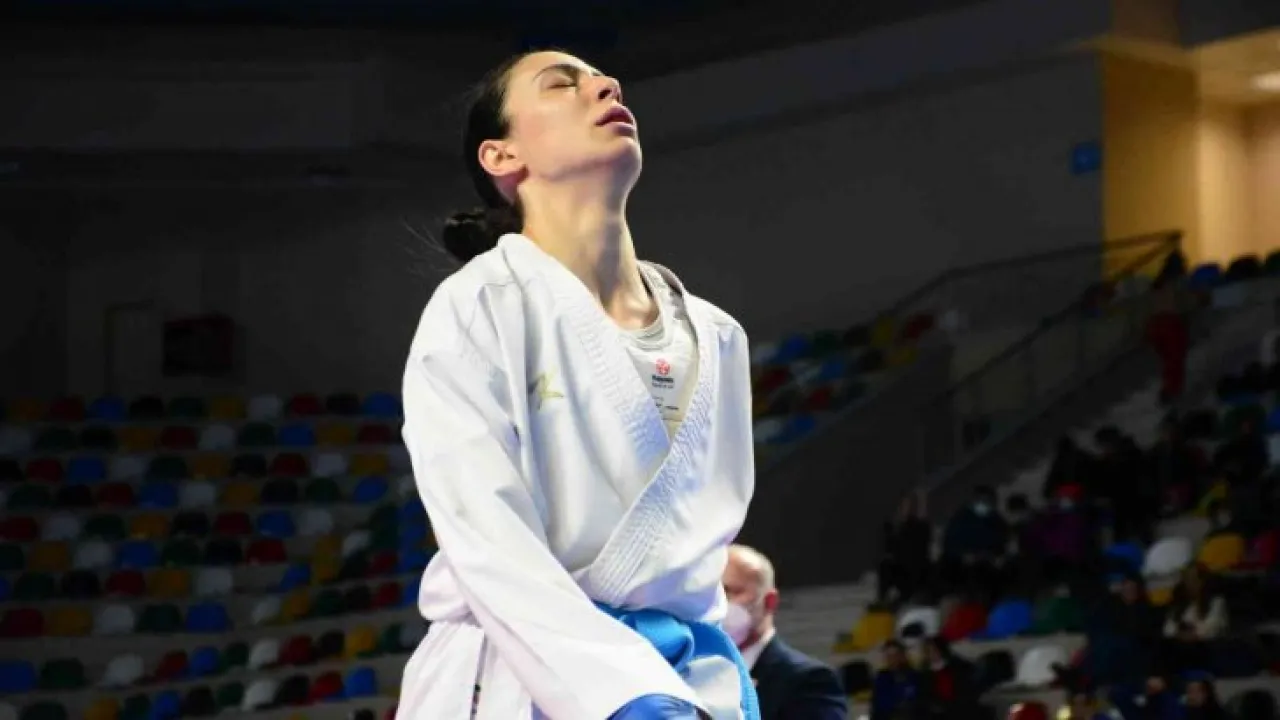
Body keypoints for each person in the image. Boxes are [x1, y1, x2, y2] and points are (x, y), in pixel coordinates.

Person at [397, 49, 758, 720]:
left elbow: (699, 549)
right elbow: (486, 540)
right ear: (501, 156)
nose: (606, 86)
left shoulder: (717, 335)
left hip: (685, 676)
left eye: (602, 78)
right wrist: (622, 692)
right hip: (516, 681)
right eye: (562, 84)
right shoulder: (479, 306)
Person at [721, 546, 845, 720]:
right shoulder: (694, 673)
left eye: (729, 591)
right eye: (713, 595)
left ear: (769, 602)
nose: (718, 605)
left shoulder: (808, 680)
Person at [877, 493, 933, 606]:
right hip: (904, 571)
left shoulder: (920, 527)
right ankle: (884, 599)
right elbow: (890, 550)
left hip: (916, 572)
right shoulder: (897, 530)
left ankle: (894, 598)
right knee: (885, 565)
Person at [870, 640, 922, 720]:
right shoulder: (881, 678)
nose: (892, 659)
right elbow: (878, 706)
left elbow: (918, 703)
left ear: (902, 655)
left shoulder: (914, 676)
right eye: (889, 656)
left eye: (895, 655)